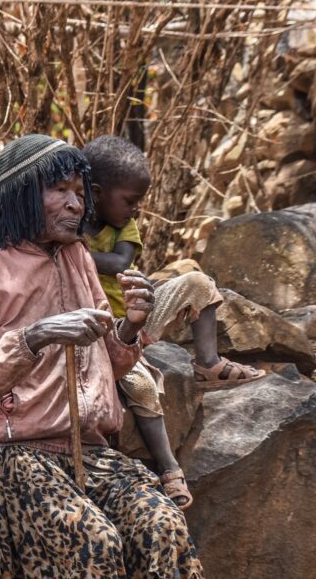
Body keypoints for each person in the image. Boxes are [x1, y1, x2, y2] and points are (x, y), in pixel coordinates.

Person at [0, 134, 202, 577]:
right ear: (20, 191)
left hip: (86, 452)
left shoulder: (78, 256)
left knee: (163, 525)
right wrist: (33, 338)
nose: (76, 204)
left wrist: (132, 324)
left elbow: (109, 364)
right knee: (90, 543)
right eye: (59, 190)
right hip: (3, 453)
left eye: (80, 193)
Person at [82, 134, 266, 509]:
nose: (136, 210)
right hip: (105, 335)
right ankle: (169, 468)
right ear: (97, 192)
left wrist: (77, 252)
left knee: (197, 282)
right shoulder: (68, 223)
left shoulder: (117, 231)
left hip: (139, 314)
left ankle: (208, 363)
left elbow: (120, 263)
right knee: (143, 388)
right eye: (130, 201)